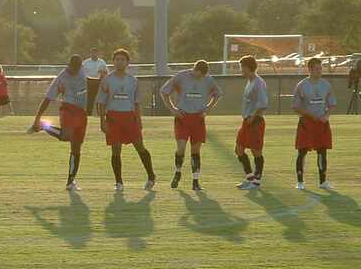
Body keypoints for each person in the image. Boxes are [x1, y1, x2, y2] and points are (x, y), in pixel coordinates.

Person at [96, 48, 156, 191]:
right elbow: (101, 102)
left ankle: (151, 176)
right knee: (116, 150)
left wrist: (139, 120)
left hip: (129, 117)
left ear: (127, 62)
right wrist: (102, 121)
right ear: (113, 62)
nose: (119, 62)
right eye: (117, 59)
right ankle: (119, 182)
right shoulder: (107, 80)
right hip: (113, 118)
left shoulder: (133, 80)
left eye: (123, 59)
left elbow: (136, 103)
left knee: (140, 147)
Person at [29, 54, 89, 191]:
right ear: (69, 65)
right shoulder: (61, 79)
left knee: (76, 148)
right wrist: (37, 118)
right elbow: (48, 98)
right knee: (66, 136)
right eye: (72, 68)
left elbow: (92, 81)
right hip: (68, 109)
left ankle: (70, 181)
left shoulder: (83, 71)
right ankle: (44, 125)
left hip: (81, 113)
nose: (75, 71)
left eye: (77, 68)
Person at [159, 60, 221, 191]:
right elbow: (164, 92)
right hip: (183, 117)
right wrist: (173, 110)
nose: (201, 77)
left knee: (195, 150)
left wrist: (208, 109)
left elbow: (217, 94)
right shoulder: (181, 76)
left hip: (198, 118)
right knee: (181, 148)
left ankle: (195, 180)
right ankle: (177, 172)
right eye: (200, 74)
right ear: (196, 69)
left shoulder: (208, 79)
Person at [293, 58, 337, 190]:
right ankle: (300, 181)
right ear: (310, 69)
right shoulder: (302, 85)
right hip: (307, 123)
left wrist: (326, 116)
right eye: (317, 69)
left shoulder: (326, 85)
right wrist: (310, 115)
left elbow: (332, 103)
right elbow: (296, 107)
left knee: (322, 152)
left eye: (321, 68)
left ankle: (323, 181)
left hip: (322, 123)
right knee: (302, 152)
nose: (320, 71)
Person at [235, 56, 269, 190]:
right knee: (239, 149)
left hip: (255, 122)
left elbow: (263, 104)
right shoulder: (250, 81)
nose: (240, 70)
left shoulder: (258, 82)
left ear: (248, 68)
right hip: (247, 121)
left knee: (256, 151)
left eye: (242, 67)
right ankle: (250, 178)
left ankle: (256, 182)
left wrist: (253, 116)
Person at [83, 47, 108, 116]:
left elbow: (106, 72)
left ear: (98, 54)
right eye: (92, 53)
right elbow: (81, 72)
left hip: (98, 81)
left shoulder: (102, 62)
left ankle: (100, 113)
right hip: (88, 81)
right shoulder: (86, 62)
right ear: (90, 54)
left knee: (99, 98)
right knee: (89, 99)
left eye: (95, 53)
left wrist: (103, 72)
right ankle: (88, 113)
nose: (94, 54)